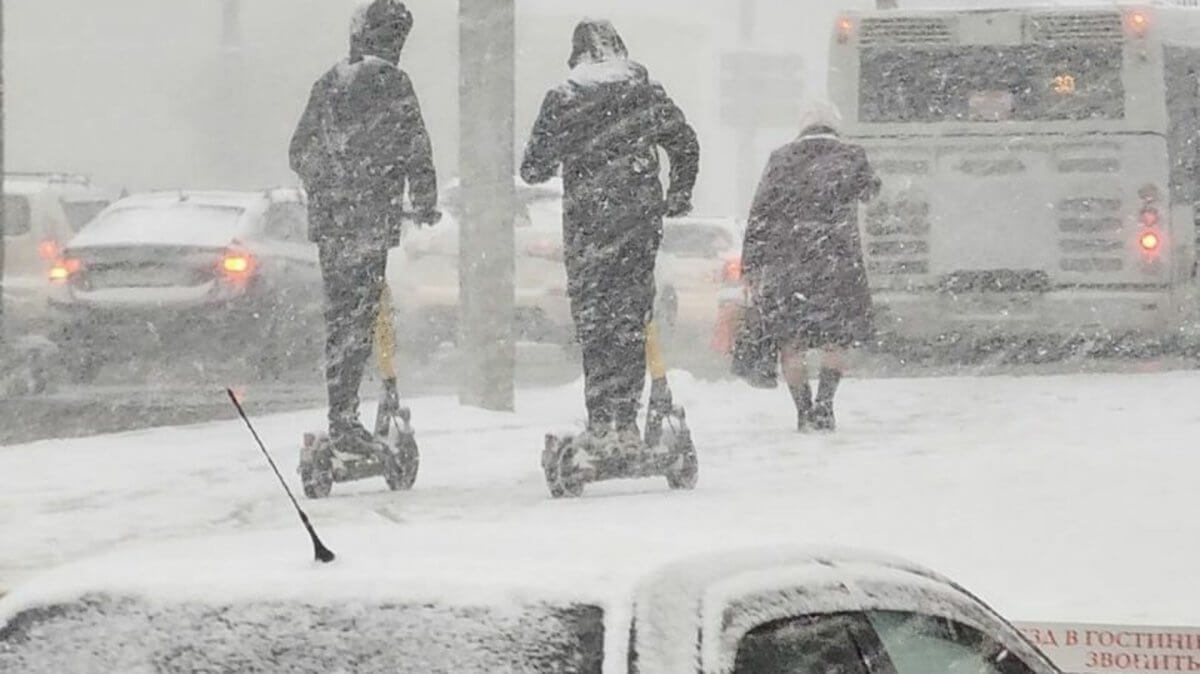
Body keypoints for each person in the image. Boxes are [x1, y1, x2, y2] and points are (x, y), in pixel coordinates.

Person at [521, 19, 700, 445]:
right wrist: (678, 194)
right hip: (637, 224)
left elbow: (533, 168)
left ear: (576, 56)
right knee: (632, 318)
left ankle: (601, 419)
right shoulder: (644, 91)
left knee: (595, 321)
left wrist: (568, 153)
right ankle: (626, 419)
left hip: (589, 228)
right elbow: (685, 143)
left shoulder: (564, 97)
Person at [289, 0, 440, 456]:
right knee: (360, 316)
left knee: (342, 319)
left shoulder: (329, 82)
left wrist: (329, 185)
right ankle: (346, 421)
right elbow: (416, 146)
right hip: (369, 219)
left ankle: (341, 409)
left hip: (335, 223)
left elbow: (299, 150)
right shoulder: (392, 83)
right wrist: (423, 200)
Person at [741, 102, 880, 432]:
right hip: (837, 263)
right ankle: (825, 406)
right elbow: (870, 192)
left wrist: (752, 263)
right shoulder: (851, 155)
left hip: (789, 265)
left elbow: (760, 212)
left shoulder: (781, 158)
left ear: (802, 128)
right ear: (834, 126)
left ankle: (803, 412)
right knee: (836, 341)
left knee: (792, 343)